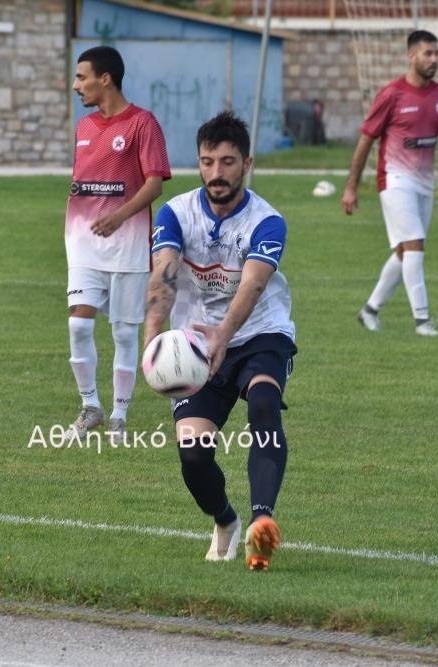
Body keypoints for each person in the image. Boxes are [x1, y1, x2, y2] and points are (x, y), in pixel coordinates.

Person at [144, 111, 296, 571]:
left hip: (257, 333)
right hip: (194, 344)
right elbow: (165, 274)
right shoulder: (175, 213)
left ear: (246, 163)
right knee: (193, 458)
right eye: (207, 162)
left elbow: (252, 285)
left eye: (227, 162)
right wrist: (154, 340)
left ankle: (261, 523)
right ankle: (225, 521)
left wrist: (224, 336)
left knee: (264, 402)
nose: (216, 173)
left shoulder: (267, 221)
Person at [65, 46, 171, 443]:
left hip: (126, 242)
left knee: (125, 333)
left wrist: (120, 215)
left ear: (104, 78)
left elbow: (155, 182)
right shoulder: (84, 127)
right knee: (78, 322)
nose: (77, 86)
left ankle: (119, 415)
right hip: (82, 242)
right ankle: (90, 404)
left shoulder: (143, 123)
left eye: (81, 77)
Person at [341, 29, 438, 336]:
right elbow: (365, 141)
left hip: (425, 183)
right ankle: (422, 320)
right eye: (428, 53)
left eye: (437, 53)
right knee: (415, 245)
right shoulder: (392, 94)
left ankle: (369, 310)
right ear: (412, 56)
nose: (434, 59)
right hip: (394, 179)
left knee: (404, 251)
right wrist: (351, 186)